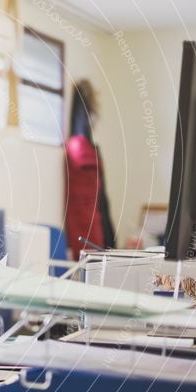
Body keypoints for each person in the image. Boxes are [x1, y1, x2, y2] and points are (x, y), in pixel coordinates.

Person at [64, 79, 116, 259]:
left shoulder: (85, 147)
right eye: (94, 108)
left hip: (96, 226)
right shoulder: (78, 147)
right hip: (87, 231)